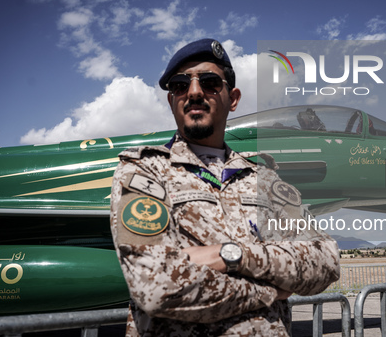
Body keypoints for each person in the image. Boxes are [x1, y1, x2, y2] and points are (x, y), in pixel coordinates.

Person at [110, 38, 340, 336]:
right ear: (171, 101)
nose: (194, 92)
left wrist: (232, 256)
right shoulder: (144, 169)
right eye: (180, 85)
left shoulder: (266, 180)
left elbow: (325, 261)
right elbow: (157, 285)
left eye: (209, 82)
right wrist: (271, 290)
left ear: (232, 98)